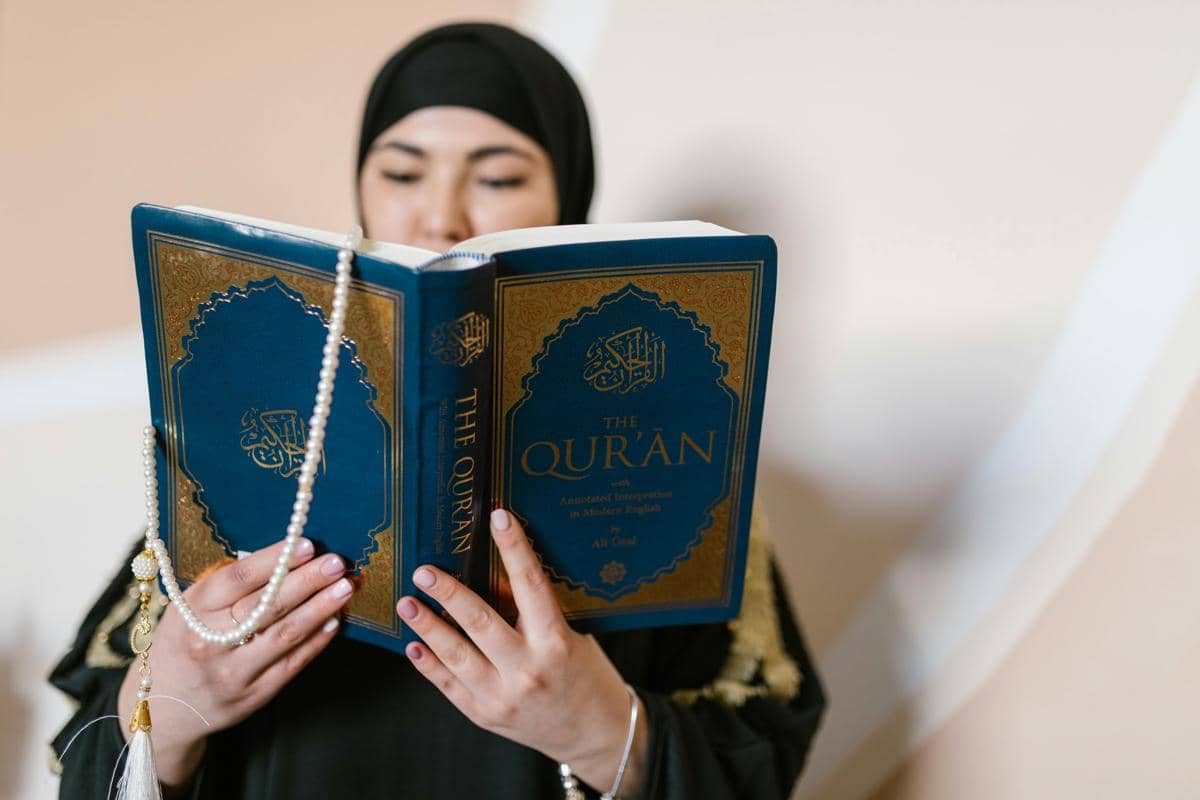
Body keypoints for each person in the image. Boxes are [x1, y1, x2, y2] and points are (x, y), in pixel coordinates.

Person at [49, 22, 826, 799]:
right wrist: (167, 714)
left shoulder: (672, 470)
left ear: (569, 198)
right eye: (402, 172)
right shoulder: (256, 441)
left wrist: (602, 729)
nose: (440, 217)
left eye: (498, 178)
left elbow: (755, 760)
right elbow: (96, 746)